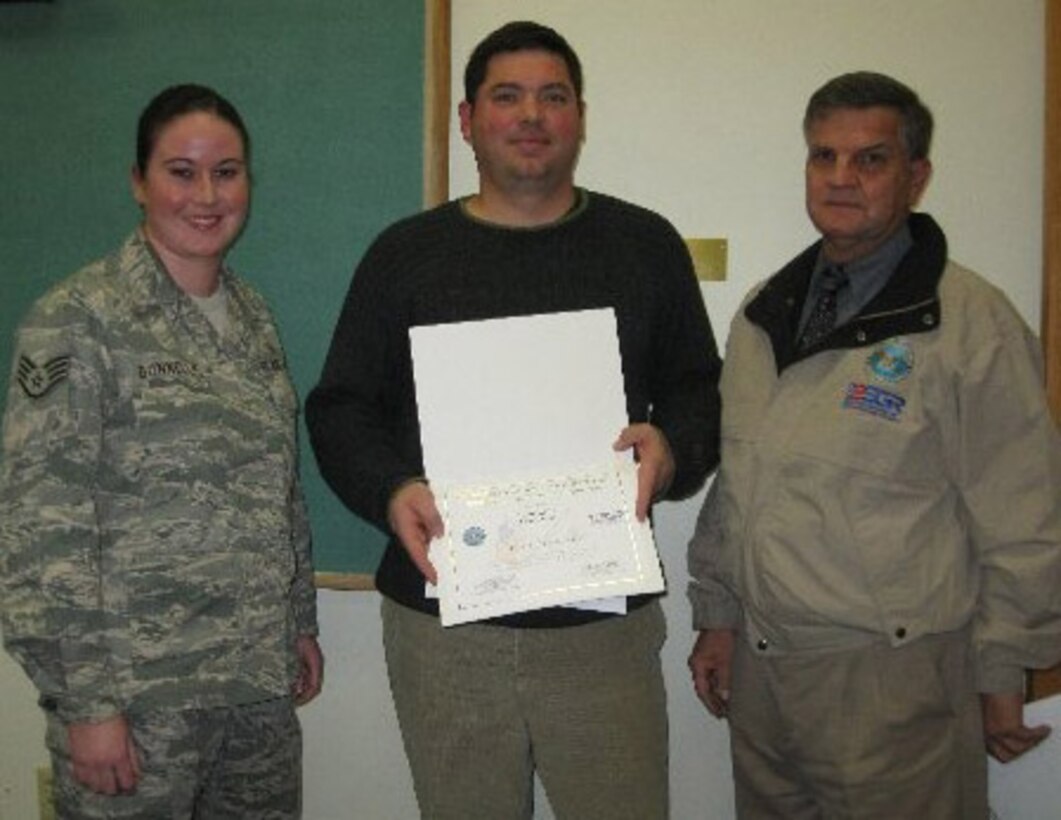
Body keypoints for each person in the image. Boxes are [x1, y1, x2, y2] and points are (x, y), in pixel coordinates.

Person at [307, 20, 721, 820]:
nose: (531, 115)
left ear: (579, 116)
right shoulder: (404, 254)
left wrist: (670, 450)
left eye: (552, 97)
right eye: (507, 96)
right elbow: (340, 407)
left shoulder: (643, 245)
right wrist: (391, 488)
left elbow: (698, 389)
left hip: (602, 624)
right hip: (445, 630)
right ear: (467, 119)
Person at [687, 71, 1061, 819]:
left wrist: (1001, 673)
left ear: (915, 176)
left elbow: (1023, 516)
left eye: (869, 159)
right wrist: (717, 614)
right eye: (822, 157)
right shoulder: (763, 314)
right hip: (762, 681)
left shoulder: (968, 325)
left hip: (894, 686)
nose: (840, 178)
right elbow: (739, 484)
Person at [0, 84, 322, 819]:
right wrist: (85, 705)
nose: (207, 195)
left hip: (254, 696)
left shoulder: (250, 315)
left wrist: (296, 621)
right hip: (139, 707)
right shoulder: (76, 321)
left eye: (227, 171)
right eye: (181, 172)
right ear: (138, 182)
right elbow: (40, 531)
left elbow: (279, 482)